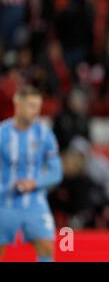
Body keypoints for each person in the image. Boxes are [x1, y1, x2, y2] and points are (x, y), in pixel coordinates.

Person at [0, 86, 63, 261]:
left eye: (38, 106)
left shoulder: (45, 134)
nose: (36, 111)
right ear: (17, 105)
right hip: (3, 203)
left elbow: (56, 172)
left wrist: (34, 182)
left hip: (35, 203)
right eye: (31, 106)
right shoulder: (2, 133)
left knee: (46, 248)